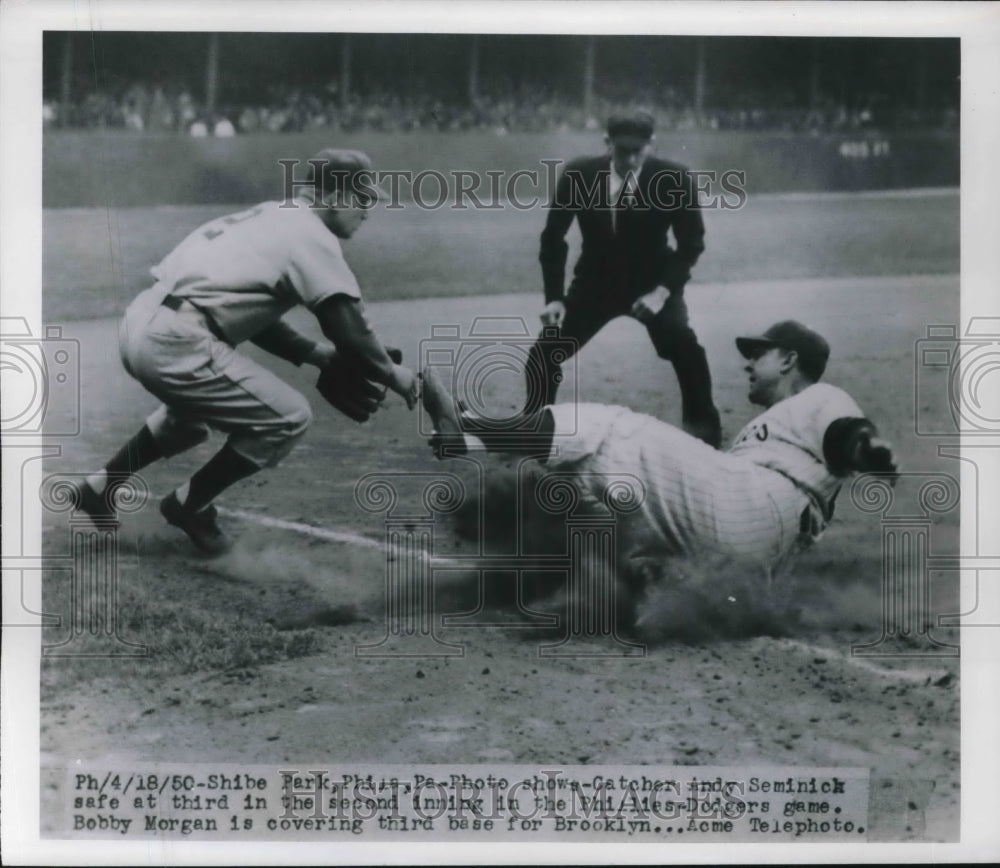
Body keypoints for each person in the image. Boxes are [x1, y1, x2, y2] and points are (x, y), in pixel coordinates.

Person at [71, 149, 418, 554]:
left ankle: (99, 486)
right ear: (334, 196)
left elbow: (251, 315)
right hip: (177, 341)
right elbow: (352, 332)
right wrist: (397, 377)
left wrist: (319, 356)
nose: (368, 209)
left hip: (143, 324)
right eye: (362, 198)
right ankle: (189, 504)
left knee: (188, 417)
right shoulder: (312, 237)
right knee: (288, 416)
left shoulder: (273, 215)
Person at [423, 320, 898, 574]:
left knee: (612, 430)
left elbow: (846, 433)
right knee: (605, 491)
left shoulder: (822, 396)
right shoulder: (772, 429)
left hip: (753, 504)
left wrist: (868, 451)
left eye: (759, 353)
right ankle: (630, 582)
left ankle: (469, 429)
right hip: (753, 549)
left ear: (790, 359)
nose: (748, 363)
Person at [523, 110, 722, 447]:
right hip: (595, 283)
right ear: (607, 144)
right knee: (544, 354)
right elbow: (553, 239)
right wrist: (554, 298)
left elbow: (691, 244)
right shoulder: (578, 175)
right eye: (622, 150)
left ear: (652, 145)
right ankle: (533, 432)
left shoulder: (675, 178)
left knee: (684, 347)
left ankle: (704, 433)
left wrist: (662, 293)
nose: (630, 159)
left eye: (639, 151)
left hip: (652, 283)